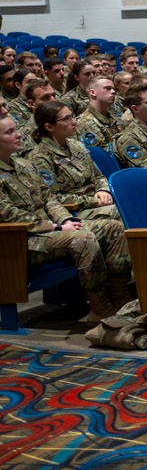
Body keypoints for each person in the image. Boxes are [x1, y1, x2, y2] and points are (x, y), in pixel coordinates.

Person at [0, 116, 132, 323]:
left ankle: (120, 296)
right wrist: (55, 226)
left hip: (53, 229)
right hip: (22, 239)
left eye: (16, 129)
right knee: (83, 239)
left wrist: (66, 221)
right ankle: (100, 307)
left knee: (114, 228)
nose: (18, 135)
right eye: (9, 132)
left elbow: (48, 198)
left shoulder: (22, 163)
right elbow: (8, 214)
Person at [28, 101, 121, 223]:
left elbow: (98, 176)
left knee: (136, 204)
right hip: (75, 211)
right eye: (66, 119)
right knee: (125, 212)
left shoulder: (77, 145)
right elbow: (53, 198)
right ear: (49, 127)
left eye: (72, 116)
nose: (74, 121)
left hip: (98, 202)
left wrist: (103, 190)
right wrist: (93, 200)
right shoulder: (40, 157)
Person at [75, 75, 124, 149]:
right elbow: (102, 154)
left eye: (113, 89)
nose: (113, 92)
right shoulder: (86, 122)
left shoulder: (114, 118)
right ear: (93, 93)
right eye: (107, 88)